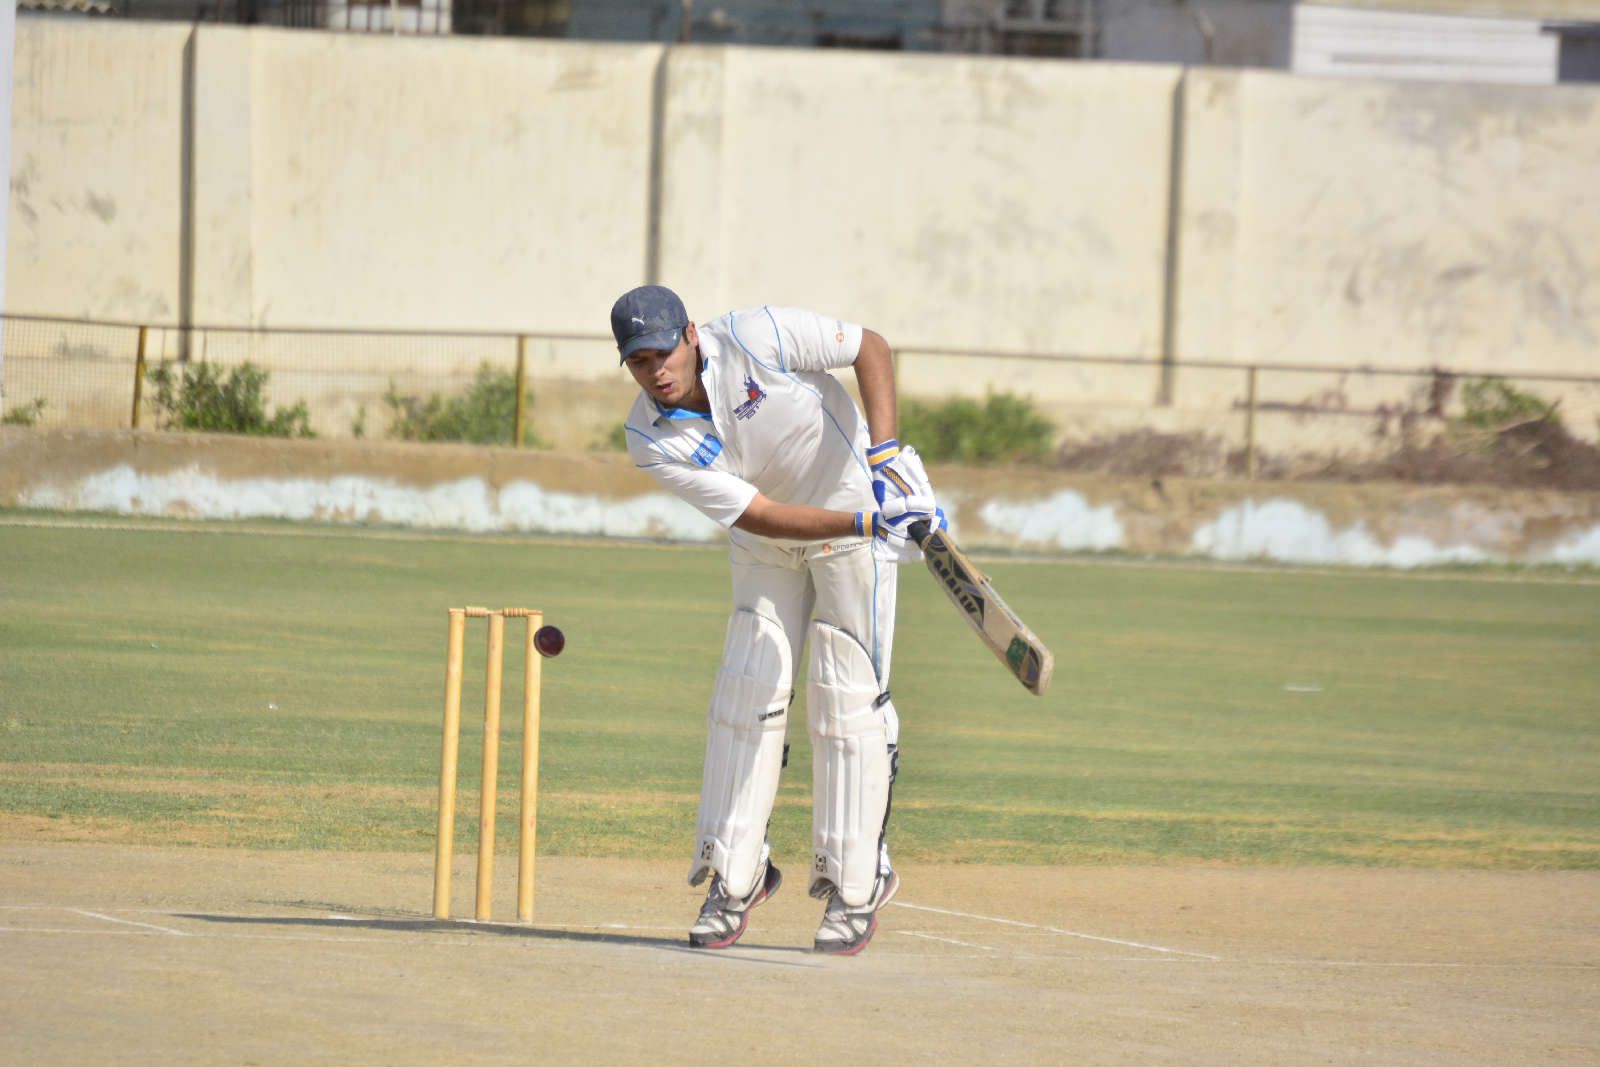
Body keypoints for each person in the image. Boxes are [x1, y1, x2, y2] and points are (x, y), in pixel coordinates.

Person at [611, 284, 944, 956]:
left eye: (663, 352)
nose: (656, 371)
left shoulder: (755, 335)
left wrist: (885, 459)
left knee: (845, 691)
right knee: (749, 684)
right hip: (778, 535)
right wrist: (870, 522)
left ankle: (857, 882)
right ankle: (736, 874)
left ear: (691, 334)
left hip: (851, 497)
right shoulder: (649, 437)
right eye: (639, 361)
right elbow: (760, 514)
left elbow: (870, 348)